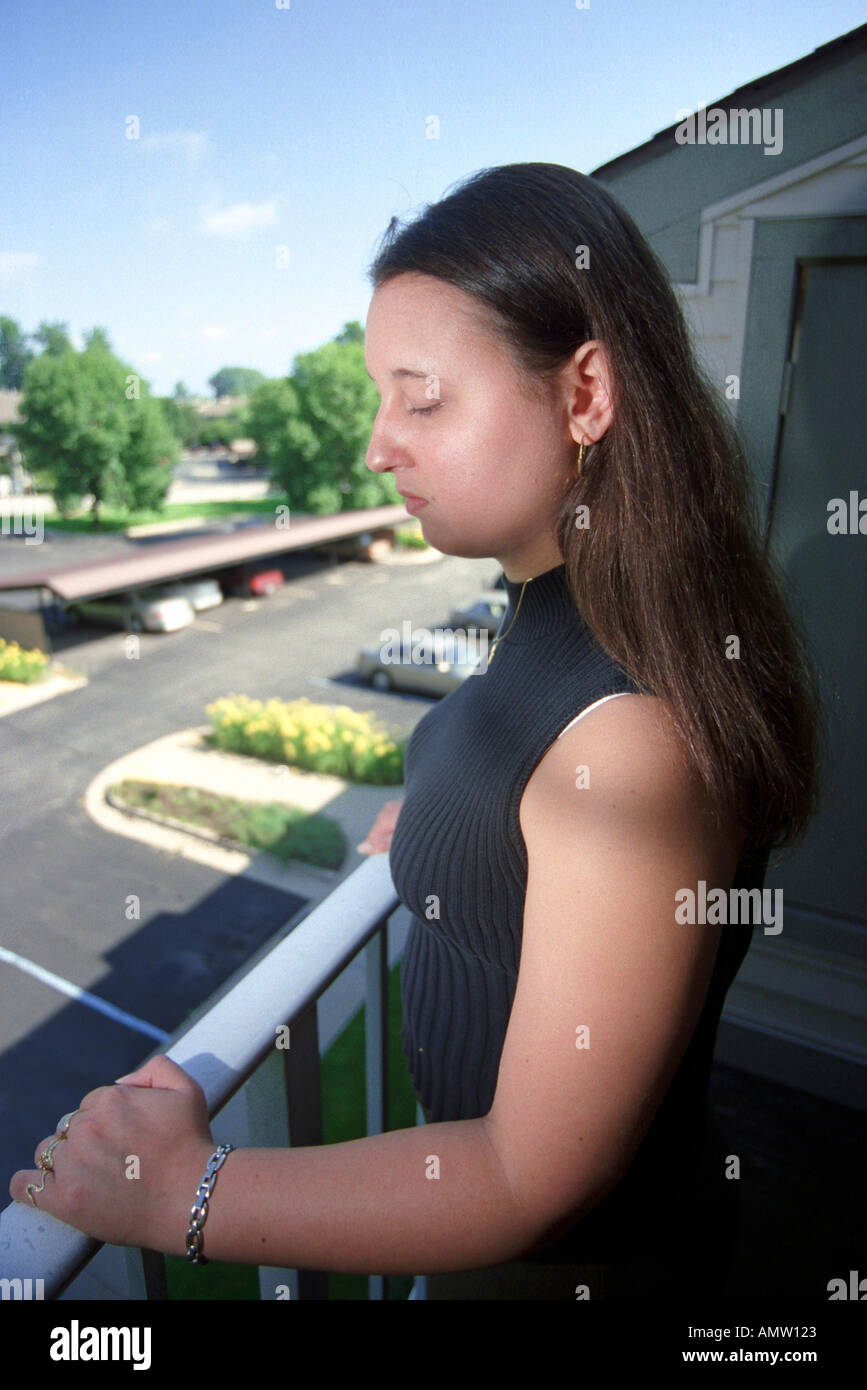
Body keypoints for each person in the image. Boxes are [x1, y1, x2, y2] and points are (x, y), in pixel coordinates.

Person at [10, 163, 820, 1299]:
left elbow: (522, 1174)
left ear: (586, 394)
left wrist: (184, 1194)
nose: (378, 447)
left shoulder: (631, 737)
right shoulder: (567, 600)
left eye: (422, 397)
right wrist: (445, 834)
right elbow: (529, 808)